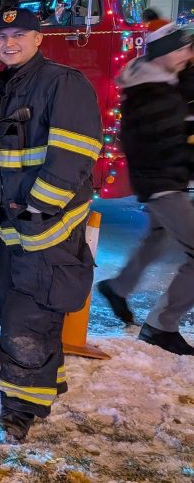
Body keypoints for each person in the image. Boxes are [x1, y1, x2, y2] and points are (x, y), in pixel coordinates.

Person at [0, 8, 102, 443]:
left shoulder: (61, 82)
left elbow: (74, 152)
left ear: (38, 38)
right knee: (22, 308)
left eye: (18, 34)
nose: (8, 43)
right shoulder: (10, 86)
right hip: (18, 228)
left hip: (42, 229)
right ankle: (44, 384)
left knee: (26, 319)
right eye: (1, 36)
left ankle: (19, 411)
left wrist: (38, 209)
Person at [97, 22, 194, 355]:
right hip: (163, 182)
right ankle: (161, 326)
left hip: (163, 180)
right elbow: (161, 143)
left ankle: (118, 286)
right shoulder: (152, 94)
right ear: (164, 53)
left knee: (159, 236)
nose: (187, 54)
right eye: (182, 49)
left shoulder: (159, 82)